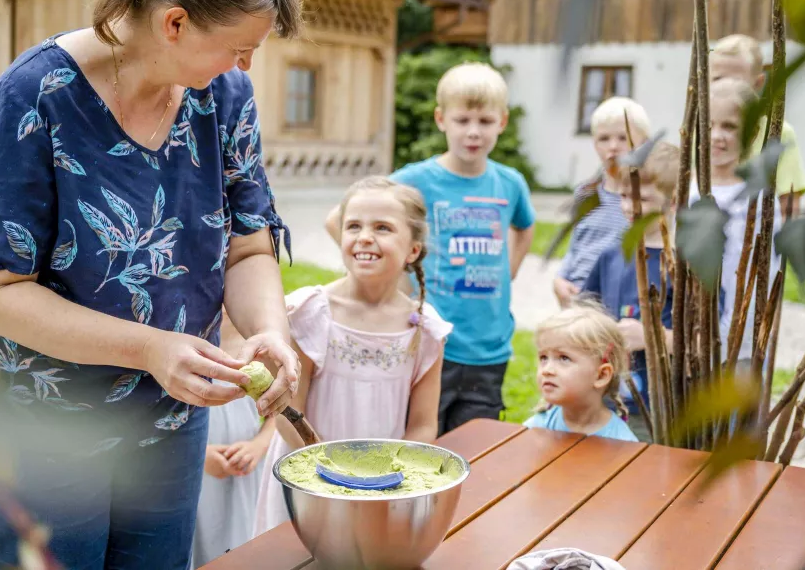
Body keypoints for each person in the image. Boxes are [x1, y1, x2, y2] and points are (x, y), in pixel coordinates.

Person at [0, 0, 302, 569]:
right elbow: (0, 294)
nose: (246, 63)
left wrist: (271, 330)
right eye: (238, 45)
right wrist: (150, 347)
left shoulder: (223, 95)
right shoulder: (32, 99)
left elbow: (249, 246)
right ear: (174, 22)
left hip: (169, 417)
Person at [325, 62, 535, 436]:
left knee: (475, 451)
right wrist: (397, 280)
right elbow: (338, 219)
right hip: (430, 342)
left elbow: (525, 225)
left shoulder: (510, 183)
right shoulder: (414, 179)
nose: (473, 131)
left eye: (485, 121)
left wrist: (510, 270)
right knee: (420, 444)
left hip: (489, 347)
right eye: (462, 120)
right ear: (441, 119)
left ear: (502, 122)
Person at [255, 177, 453, 536]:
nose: (364, 236)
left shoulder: (425, 331)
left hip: (382, 489)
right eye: (354, 226)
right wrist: (329, 476)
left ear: (413, 250)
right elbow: (287, 414)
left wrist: (393, 479)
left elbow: (423, 423)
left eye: (383, 228)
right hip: (309, 482)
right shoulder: (311, 314)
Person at [579, 140, 680, 442]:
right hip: (607, 403)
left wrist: (654, 337)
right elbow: (585, 310)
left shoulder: (687, 265)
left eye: (643, 199)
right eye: (624, 196)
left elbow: (706, 342)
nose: (629, 207)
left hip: (662, 409)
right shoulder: (612, 256)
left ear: (674, 201)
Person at [689, 78, 782, 368]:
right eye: (709, 125)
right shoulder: (686, 191)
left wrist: (731, 335)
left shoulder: (758, 199)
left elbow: (766, 274)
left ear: (752, 133)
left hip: (737, 344)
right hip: (683, 335)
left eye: (729, 126)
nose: (717, 136)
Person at [191, 312, 275, 568]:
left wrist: (258, 445)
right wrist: (199, 455)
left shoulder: (257, 345)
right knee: (200, 537)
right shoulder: (184, 341)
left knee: (241, 535)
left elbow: (280, 408)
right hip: (192, 463)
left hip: (244, 465)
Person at [553, 97, 651, 308]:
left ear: (644, 143)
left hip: (620, 302)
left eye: (623, 138)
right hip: (578, 300)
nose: (613, 147)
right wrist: (560, 279)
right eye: (604, 138)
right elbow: (577, 245)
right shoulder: (585, 193)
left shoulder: (647, 200)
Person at [709, 34, 805, 219]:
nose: (727, 87)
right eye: (718, 79)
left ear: (758, 83)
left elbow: (789, 205)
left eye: (737, 81)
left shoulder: (778, 134)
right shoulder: (702, 131)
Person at [523, 302, 638, 442]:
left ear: (601, 375)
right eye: (544, 358)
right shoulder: (537, 428)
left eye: (564, 358)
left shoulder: (622, 443)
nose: (547, 370)